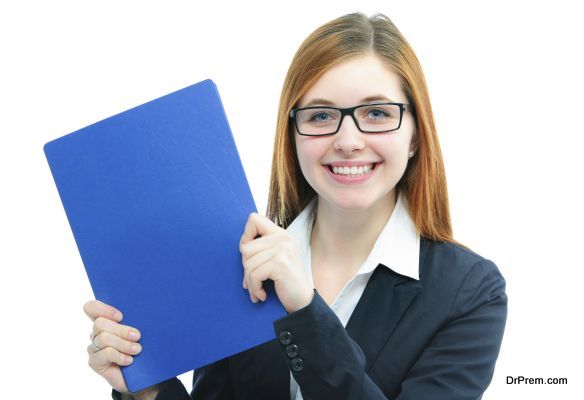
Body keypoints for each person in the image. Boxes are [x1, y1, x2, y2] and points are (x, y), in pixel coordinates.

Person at [83, 12, 508, 400]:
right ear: (293, 135)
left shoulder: (469, 293)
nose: (347, 141)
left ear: (416, 135)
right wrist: (149, 391)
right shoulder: (242, 261)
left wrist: (305, 309)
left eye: (377, 113)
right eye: (321, 116)